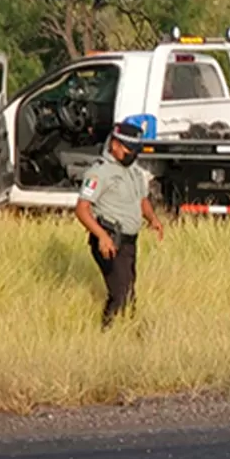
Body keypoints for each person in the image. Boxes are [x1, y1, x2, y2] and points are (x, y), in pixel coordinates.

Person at [75, 120, 165, 330]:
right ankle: (108, 333)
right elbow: (82, 209)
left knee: (128, 288)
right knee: (121, 293)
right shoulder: (99, 173)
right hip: (110, 241)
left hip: (130, 242)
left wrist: (152, 219)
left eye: (135, 150)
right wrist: (102, 237)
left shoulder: (134, 171)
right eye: (128, 149)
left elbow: (142, 200)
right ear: (115, 144)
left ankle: (127, 330)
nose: (132, 154)